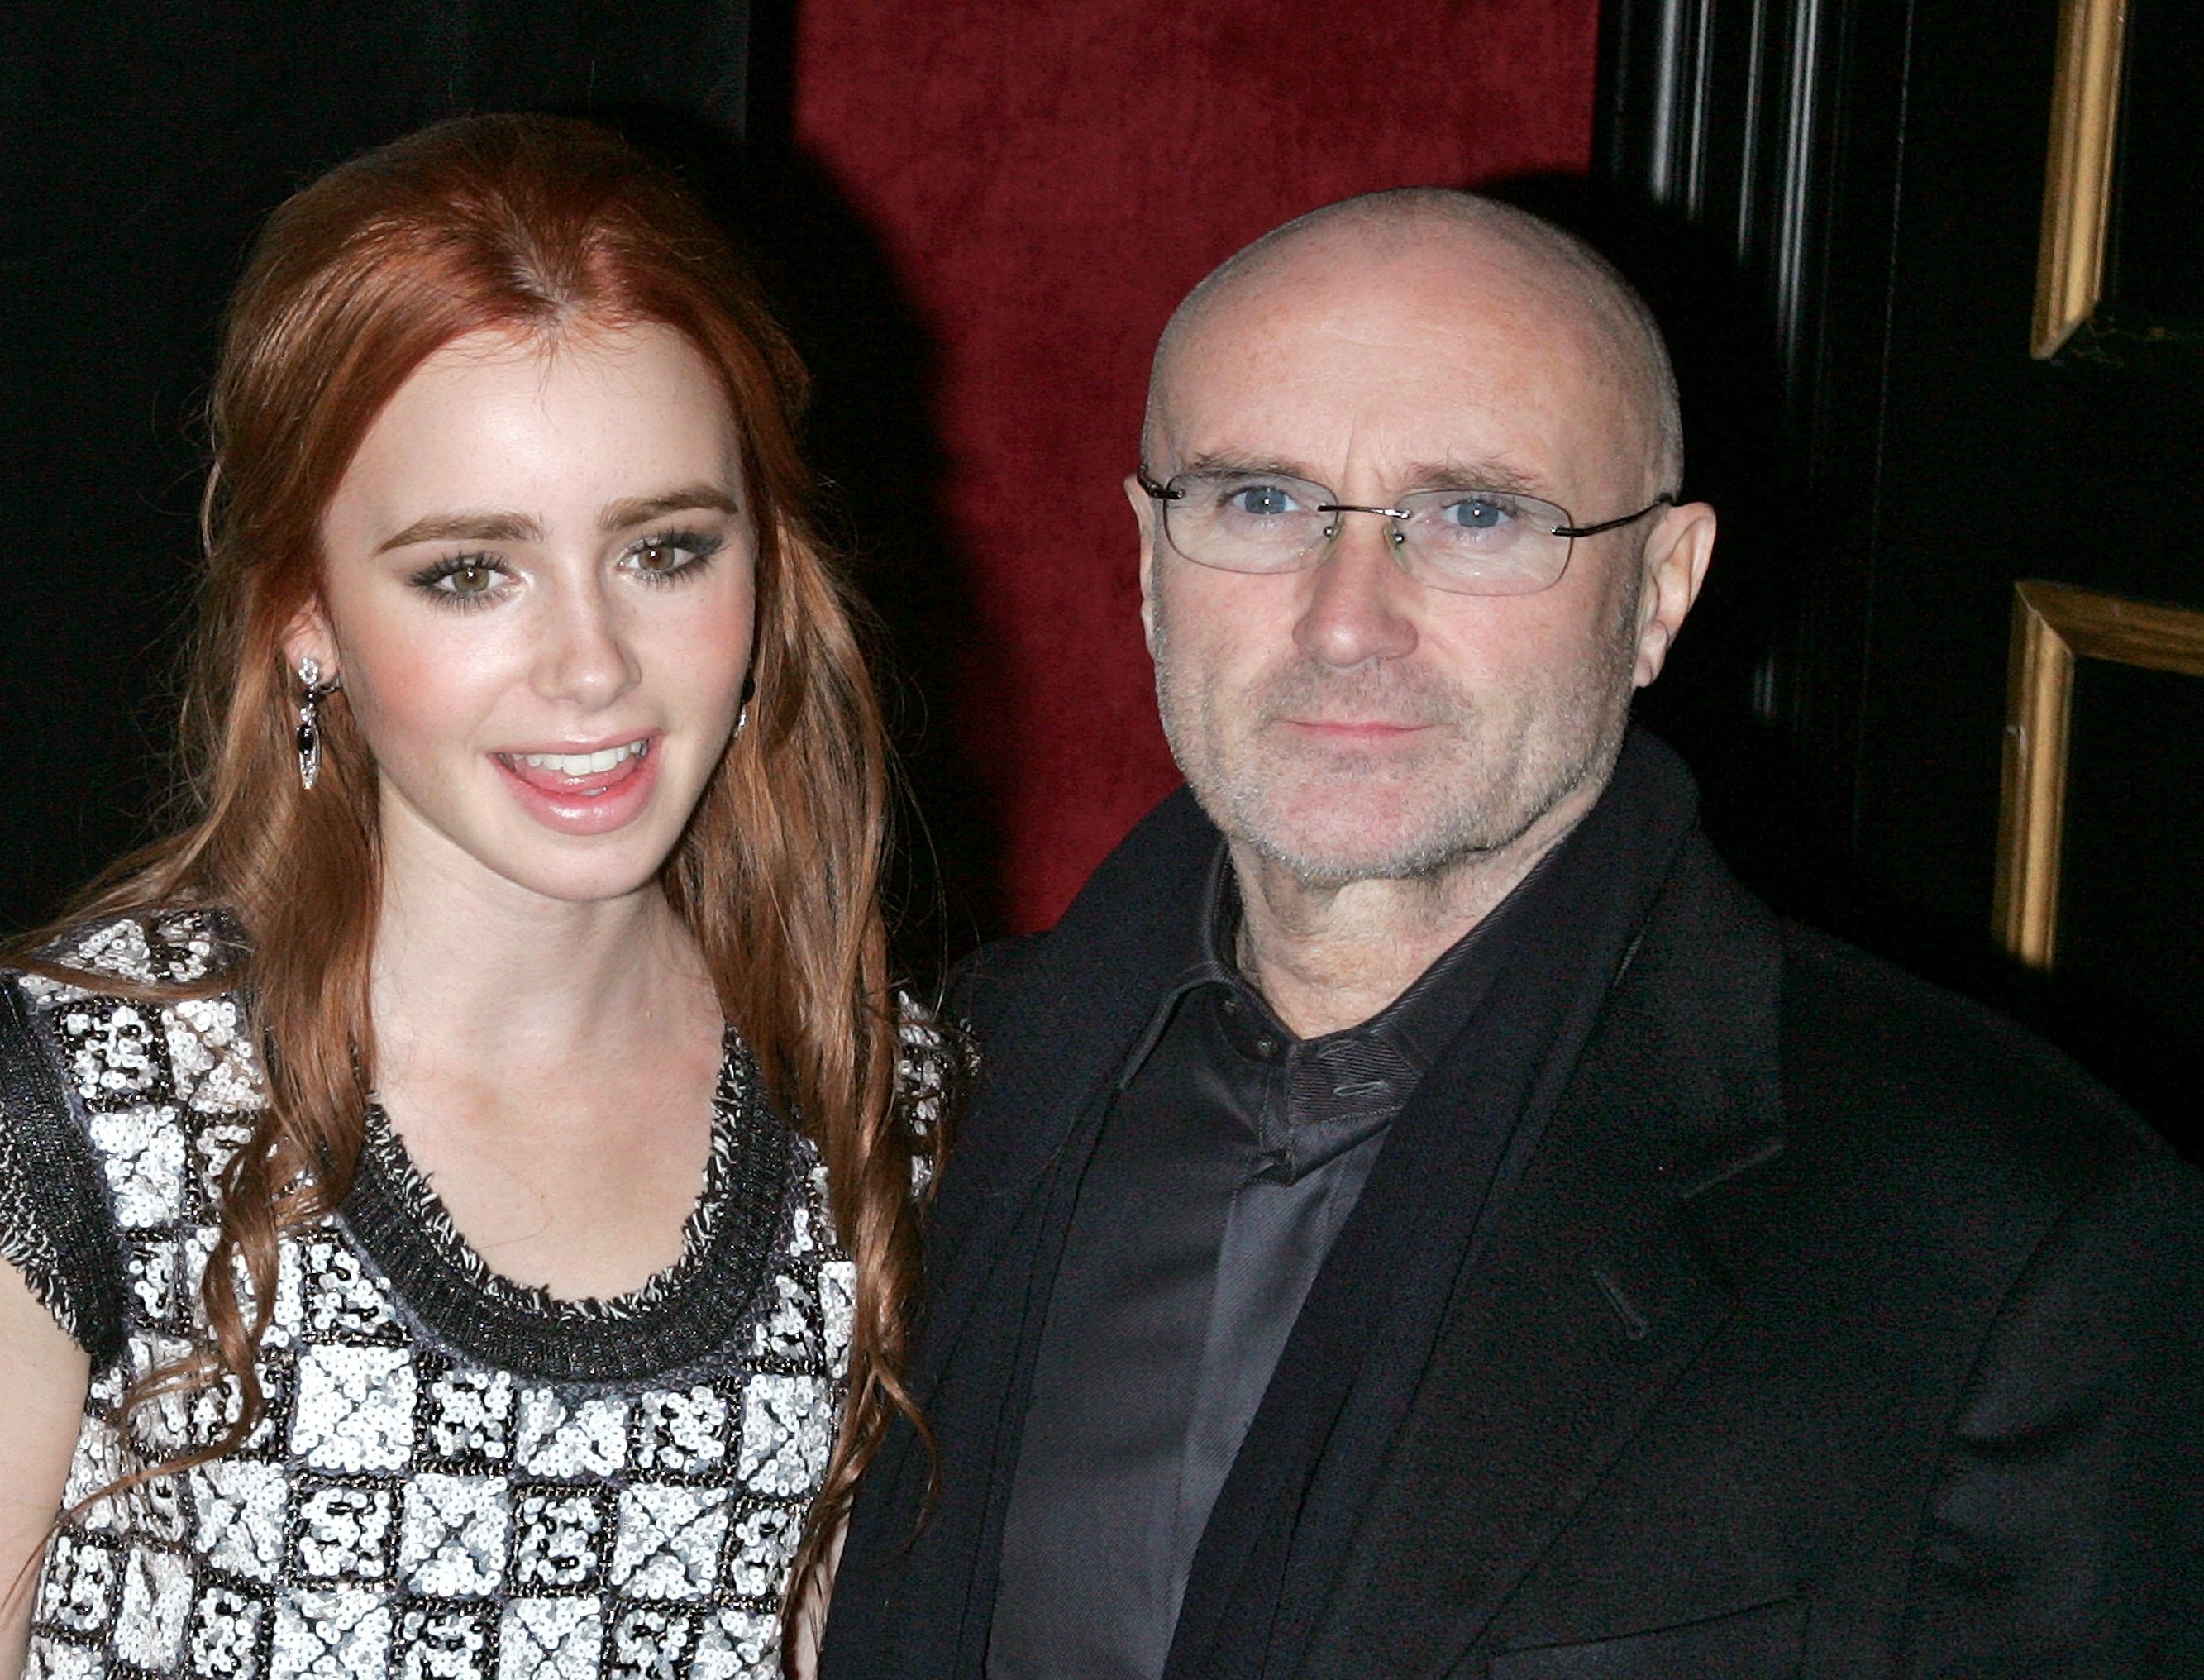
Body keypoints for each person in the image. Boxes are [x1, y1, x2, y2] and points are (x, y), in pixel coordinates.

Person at [819, 190, 2204, 1680]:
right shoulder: (912, 1101)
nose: (1348, 620)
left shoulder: (2007, 1245)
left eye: (1476, 516)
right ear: (1150, 562)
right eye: (1261, 504)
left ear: (1662, 591)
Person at [0, 115, 944, 1680]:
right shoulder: (54, 1144)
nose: (594, 665)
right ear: (306, 614)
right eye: (470, 571)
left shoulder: (891, 1111)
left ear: (767, 570)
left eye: (667, 550)